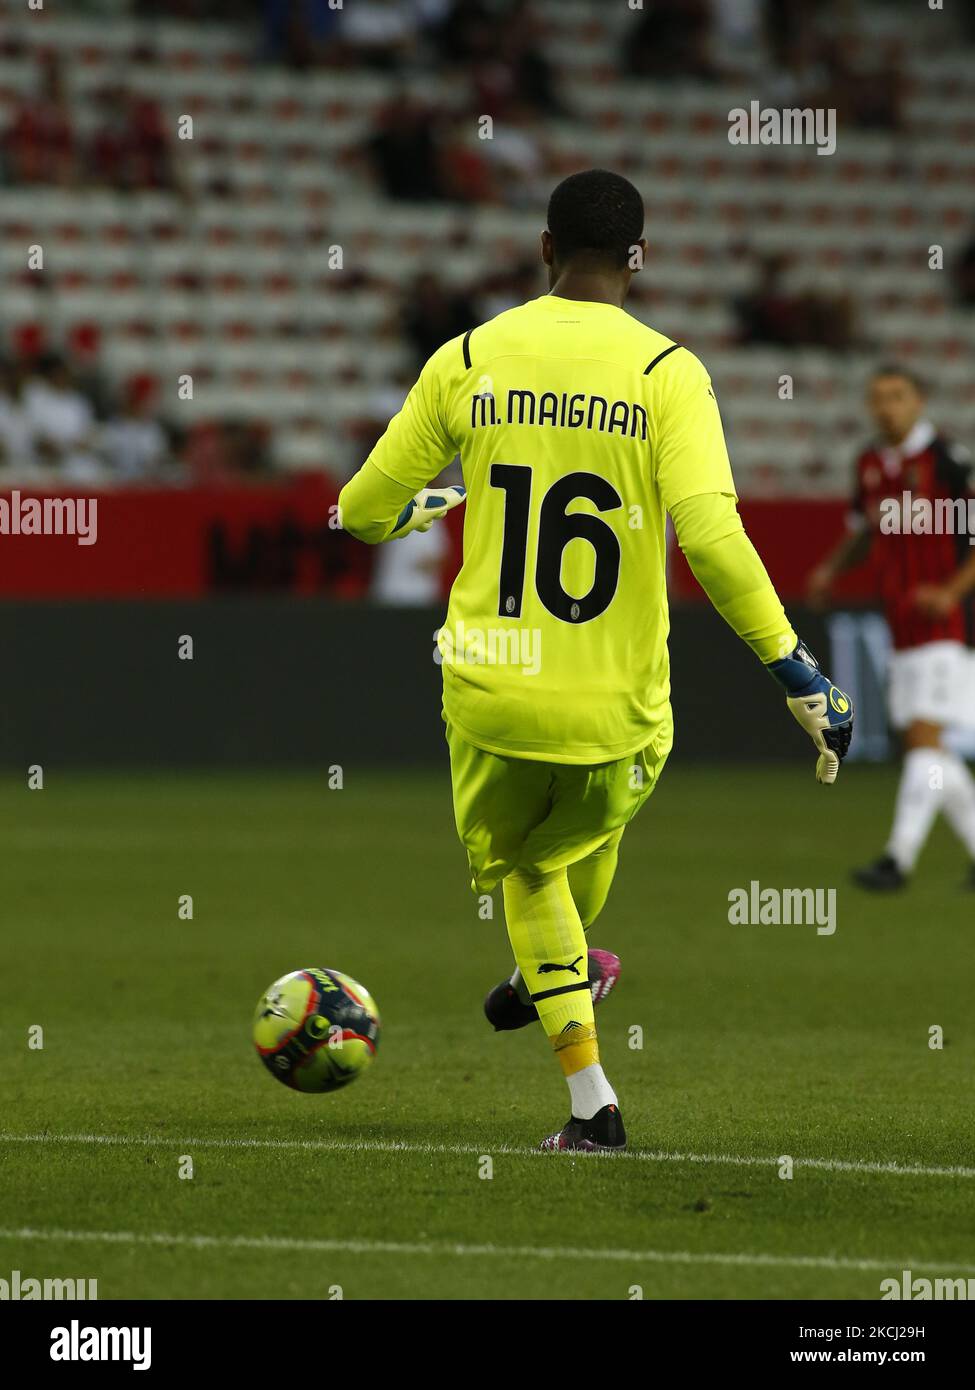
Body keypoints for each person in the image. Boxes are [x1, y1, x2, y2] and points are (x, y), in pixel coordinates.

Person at [339, 170, 853, 1152]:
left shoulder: (471, 356)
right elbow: (710, 537)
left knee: (529, 873)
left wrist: (421, 508)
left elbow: (361, 509)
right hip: (622, 705)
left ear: (543, 250)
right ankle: (568, 1004)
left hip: (492, 693)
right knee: (566, 850)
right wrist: (797, 672)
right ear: (639, 259)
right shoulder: (670, 373)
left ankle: (588, 1089)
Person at [808, 366, 975, 890]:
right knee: (930, 752)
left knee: (925, 743)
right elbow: (863, 531)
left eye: (898, 396)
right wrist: (832, 569)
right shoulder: (870, 464)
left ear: (920, 400)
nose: (887, 407)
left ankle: (897, 859)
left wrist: (950, 590)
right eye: (878, 398)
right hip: (901, 627)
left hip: (947, 625)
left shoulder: (948, 462)